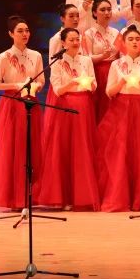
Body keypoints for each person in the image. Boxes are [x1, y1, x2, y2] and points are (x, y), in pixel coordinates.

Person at [98, 25, 140, 212]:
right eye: (131, 39)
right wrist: (122, 81)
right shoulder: (116, 64)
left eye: (137, 39)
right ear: (124, 43)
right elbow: (109, 92)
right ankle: (120, 198)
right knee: (121, 153)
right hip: (122, 110)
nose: (135, 42)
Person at [37, 27, 100, 210]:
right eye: (71, 40)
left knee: (82, 148)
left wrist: (88, 83)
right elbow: (57, 89)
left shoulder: (86, 60)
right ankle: (63, 196)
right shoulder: (57, 62)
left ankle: (81, 196)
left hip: (84, 106)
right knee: (64, 148)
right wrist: (73, 82)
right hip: (64, 107)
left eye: (77, 39)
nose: (75, 43)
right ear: (63, 43)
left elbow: (94, 85)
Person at [0, 16, 44, 209]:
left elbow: (41, 81)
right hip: (12, 103)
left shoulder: (36, 55)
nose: (25, 34)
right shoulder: (4, 56)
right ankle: (13, 197)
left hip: (30, 102)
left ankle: (30, 195)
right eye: (20, 31)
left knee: (31, 148)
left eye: (27, 30)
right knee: (13, 148)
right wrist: (17, 85)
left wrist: (34, 86)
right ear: (11, 34)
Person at [82, 0, 120, 125]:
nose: (107, 13)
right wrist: (102, 56)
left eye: (109, 9)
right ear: (94, 13)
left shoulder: (116, 32)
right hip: (97, 72)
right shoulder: (89, 33)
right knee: (99, 105)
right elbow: (86, 58)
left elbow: (120, 55)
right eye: (102, 10)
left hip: (114, 72)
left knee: (113, 105)